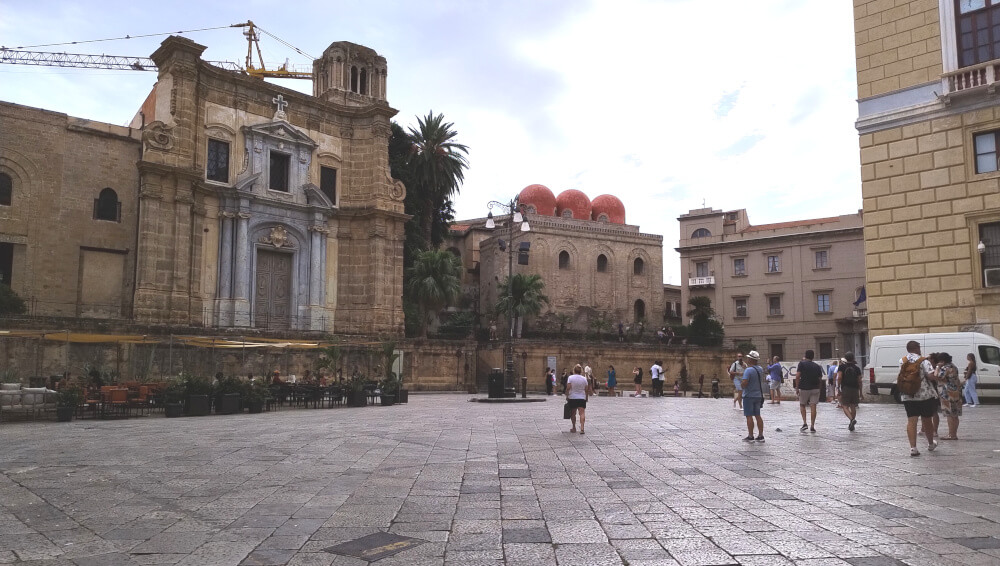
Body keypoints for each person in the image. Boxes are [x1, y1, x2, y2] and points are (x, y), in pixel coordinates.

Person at [900, 340, 938, 457]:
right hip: (924, 395)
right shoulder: (924, 361)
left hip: (908, 394)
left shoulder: (902, 360)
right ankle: (930, 444)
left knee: (912, 420)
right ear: (916, 348)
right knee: (927, 420)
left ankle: (913, 448)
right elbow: (931, 376)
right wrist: (936, 372)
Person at [740, 351, 766, 442]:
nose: (747, 359)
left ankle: (751, 436)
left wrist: (741, 385)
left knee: (749, 416)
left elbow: (745, 382)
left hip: (749, 395)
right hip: (758, 395)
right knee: (758, 415)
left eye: (748, 358)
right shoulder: (760, 369)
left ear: (750, 359)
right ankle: (761, 435)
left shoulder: (748, 370)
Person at [795, 350, 823, 433]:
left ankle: (805, 423)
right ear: (813, 357)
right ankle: (812, 426)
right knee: (813, 406)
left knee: (802, 405)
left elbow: (797, 376)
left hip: (804, 387)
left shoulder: (801, 364)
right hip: (815, 388)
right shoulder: (817, 366)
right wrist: (819, 388)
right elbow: (820, 378)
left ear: (805, 355)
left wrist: (797, 387)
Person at [936, 352, 963, 440]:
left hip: (947, 394)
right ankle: (954, 434)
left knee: (949, 415)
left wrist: (937, 367)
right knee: (955, 414)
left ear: (942, 361)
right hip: (956, 393)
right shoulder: (953, 366)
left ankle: (951, 434)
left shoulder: (945, 368)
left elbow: (937, 375)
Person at [838, 352, 863, 431]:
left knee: (844, 406)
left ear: (845, 358)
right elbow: (860, 381)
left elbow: (839, 377)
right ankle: (851, 423)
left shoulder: (842, 367)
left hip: (846, 388)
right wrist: (861, 392)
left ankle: (852, 420)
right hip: (855, 388)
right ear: (853, 358)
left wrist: (838, 387)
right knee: (853, 406)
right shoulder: (857, 368)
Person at [565, 364, 590, 434]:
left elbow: (568, 388)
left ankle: (574, 427)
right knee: (582, 413)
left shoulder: (570, 378)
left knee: (573, 413)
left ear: (574, 370)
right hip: (582, 398)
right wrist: (586, 397)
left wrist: (567, 395)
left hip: (572, 397)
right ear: (581, 371)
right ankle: (582, 428)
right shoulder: (584, 379)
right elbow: (586, 389)